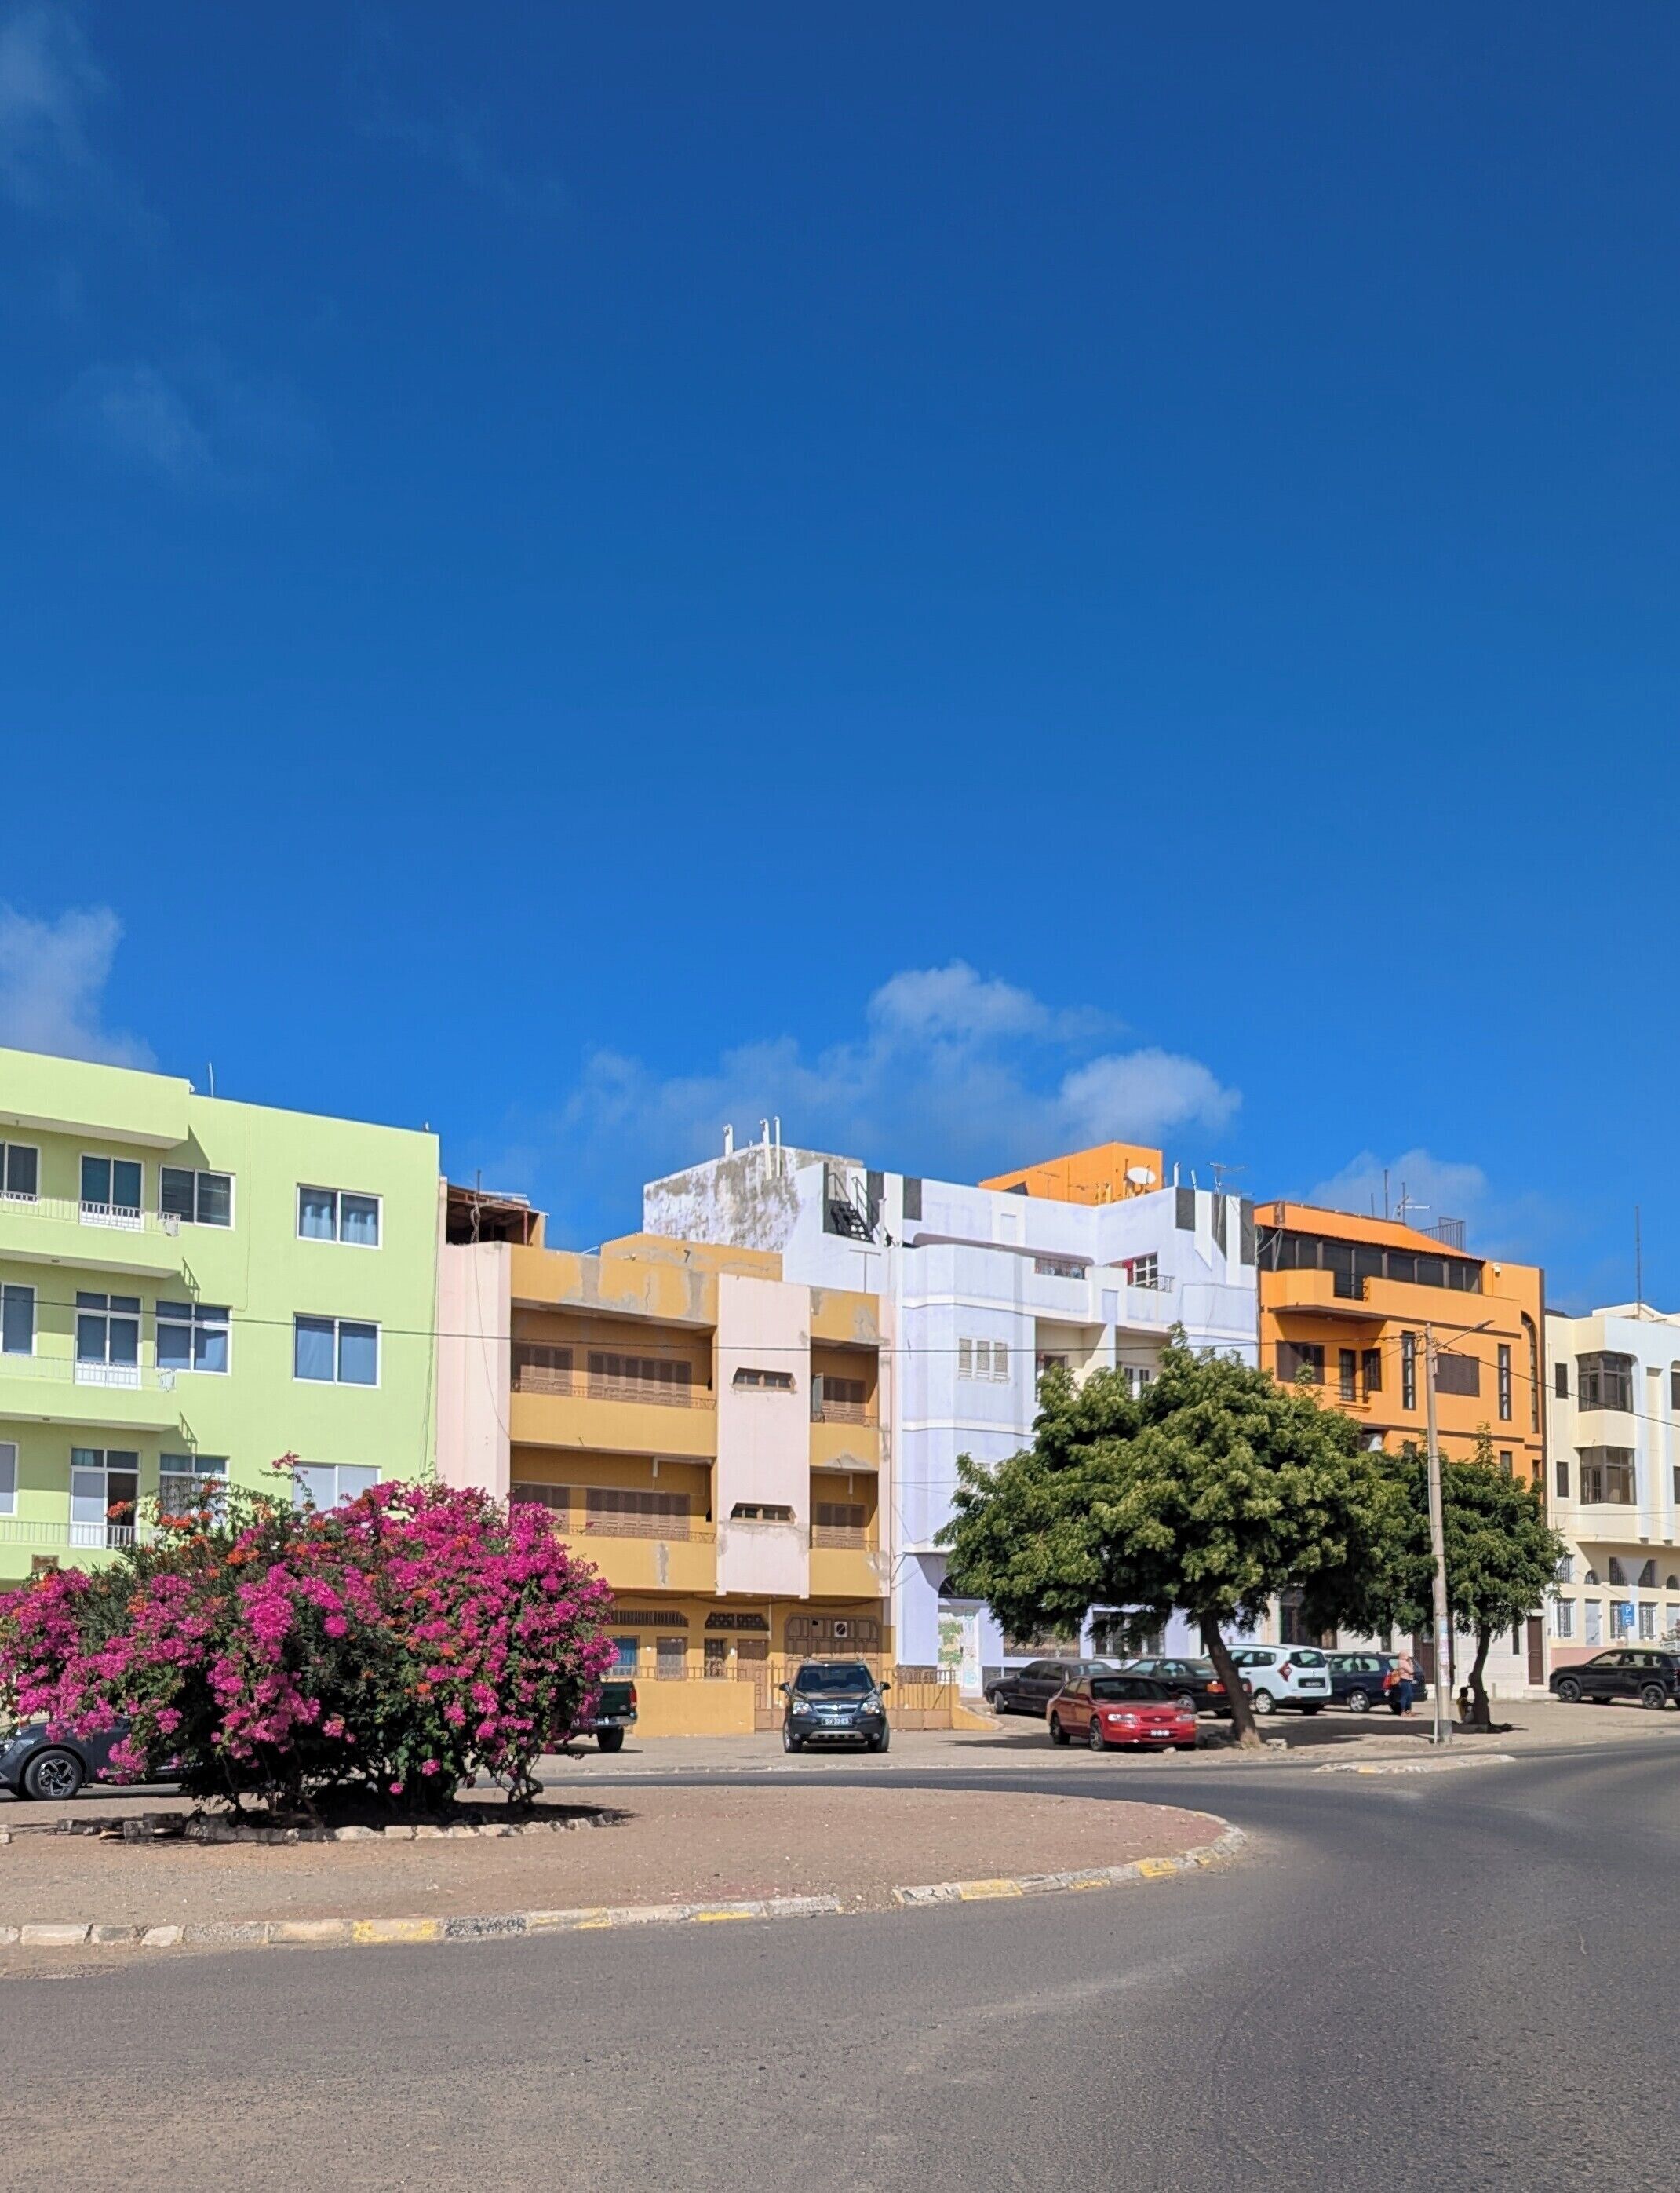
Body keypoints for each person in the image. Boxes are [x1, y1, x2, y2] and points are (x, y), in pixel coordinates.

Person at [1390, 1647, 1417, 1717]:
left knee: (1410, 1696)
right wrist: (1410, 1663)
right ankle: (1403, 1712)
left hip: (1407, 1681)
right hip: (1404, 1681)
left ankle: (1409, 1711)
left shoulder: (1404, 1662)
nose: (1408, 1656)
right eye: (1407, 1654)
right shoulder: (1402, 1662)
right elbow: (1411, 1671)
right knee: (1405, 1696)